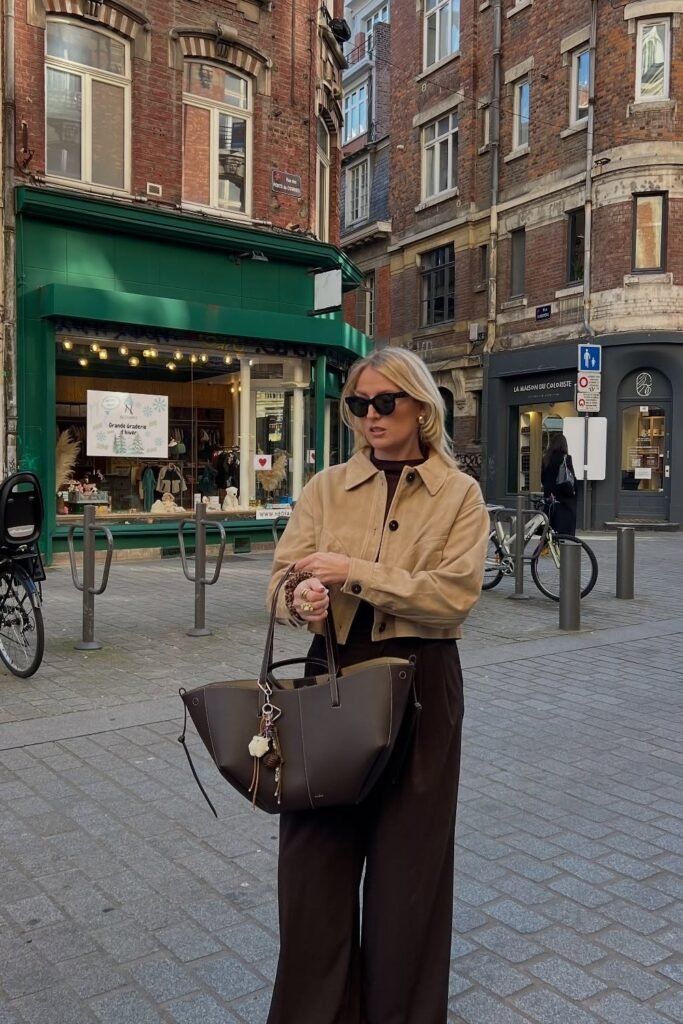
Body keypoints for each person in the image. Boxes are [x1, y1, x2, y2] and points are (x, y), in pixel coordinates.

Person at [265, 347, 490, 1024]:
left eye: (384, 402)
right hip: (330, 671)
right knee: (313, 866)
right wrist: (299, 595)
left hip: (421, 683)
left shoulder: (459, 494)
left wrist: (352, 571)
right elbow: (280, 575)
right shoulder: (325, 488)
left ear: (422, 406)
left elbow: (451, 598)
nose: (370, 416)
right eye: (359, 405)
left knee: (407, 874)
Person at [541, 432, 577, 535]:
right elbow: (571, 479)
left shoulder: (546, 459)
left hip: (549, 498)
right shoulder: (566, 459)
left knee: (549, 530)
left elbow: (543, 478)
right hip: (563, 500)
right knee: (564, 533)